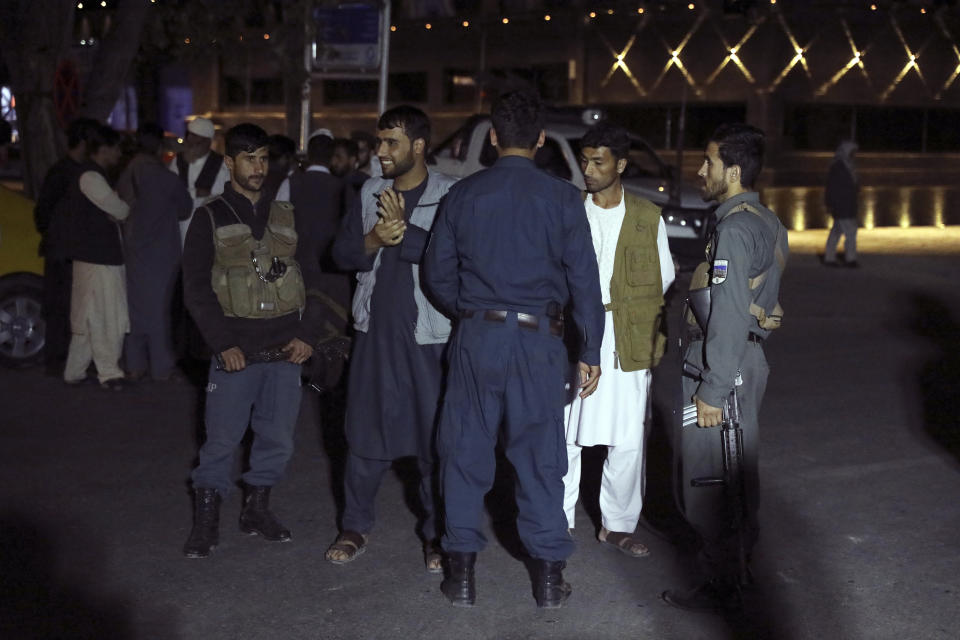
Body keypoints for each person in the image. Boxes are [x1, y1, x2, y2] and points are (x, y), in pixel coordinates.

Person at [423, 89, 605, 609]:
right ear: (542, 139)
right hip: (540, 342)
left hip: (478, 336)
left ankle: (460, 577)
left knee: (463, 453)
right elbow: (585, 283)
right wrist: (589, 347)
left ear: (495, 138)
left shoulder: (463, 194)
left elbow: (437, 273)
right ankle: (548, 582)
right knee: (541, 458)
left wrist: (474, 311)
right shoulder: (565, 199)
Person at [180, 123, 331, 558]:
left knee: (277, 439)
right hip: (235, 353)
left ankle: (256, 510)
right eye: (248, 158)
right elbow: (195, 288)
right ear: (229, 162)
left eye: (264, 158)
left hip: (287, 351)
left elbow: (313, 280)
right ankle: (206, 523)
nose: (258, 167)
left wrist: (307, 335)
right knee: (221, 441)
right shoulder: (209, 217)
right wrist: (222, 343)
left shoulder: (287, 215)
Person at [663, 123, 788, 612]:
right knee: (735, 474)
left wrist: (712, 389)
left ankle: (722, 584)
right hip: (745, 359)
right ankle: (737, 574)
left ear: (733, 170)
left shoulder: (735, 228)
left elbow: (731, 309)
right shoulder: (766, 221)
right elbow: (764, 301)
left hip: (721, 364)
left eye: (709, 161)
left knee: (708, 478)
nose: (700, 169)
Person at [326, 106, 456, 572]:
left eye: (390, 143)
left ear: (418, 147)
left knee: (432, 441)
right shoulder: (369, 191)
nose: (379, 151)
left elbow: (458, 258)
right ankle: (355, 525)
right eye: (379, 142)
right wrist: (375, 239)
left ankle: (437, 535)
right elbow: (340, 252)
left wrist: (405, 234)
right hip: (373, 336)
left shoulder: (448, 195)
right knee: (362, 433)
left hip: (428, 338)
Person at [562, 123, 675, 556]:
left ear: (621, 164)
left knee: (628, 437)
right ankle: (558, 518)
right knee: (567, 430)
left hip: (629, 335)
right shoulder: (570, 210)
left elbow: (664, 277)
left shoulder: (647, 216)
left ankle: (619, 524)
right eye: (584, 160)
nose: (588, 169)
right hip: (577, 331)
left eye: (598, 161)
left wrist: (624, 305)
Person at [116, 123, 193, 381]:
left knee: (134, 308)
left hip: (133, 249)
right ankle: (161, 366)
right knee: (162, 310)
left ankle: (134, 364)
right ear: (160, 147)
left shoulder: (126, 174)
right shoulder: (167, 179)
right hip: (163, 253)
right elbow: (185, 209)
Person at [62, 124, 130, 390]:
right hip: (100, 258)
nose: (119, 154)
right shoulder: (91, 176)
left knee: (88, 315)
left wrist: (115, 209)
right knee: (106, 315)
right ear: (104, 150)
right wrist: (119, 207)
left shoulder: (88, 174)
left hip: (91, 256)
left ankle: (75, 371)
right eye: (116, 148)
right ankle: (109, 373)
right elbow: (121, 210)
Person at [34, 117, 100, 376]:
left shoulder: (69, 170)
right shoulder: (68, 172)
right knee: (63, 308)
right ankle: (60, 361)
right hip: (64, 252)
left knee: (68, 308)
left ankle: (65, 361)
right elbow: (44, 213)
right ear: (84, 142)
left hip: (65, 250)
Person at [169, 117, 229, 245]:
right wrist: (195, 192)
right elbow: (171, 191)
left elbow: (220, 193)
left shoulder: (220, 163)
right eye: (190, 142)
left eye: (198, 143)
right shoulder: (178, 161)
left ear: (208, 142)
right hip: (181, 226)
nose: (192, 147)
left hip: (209, 226)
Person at [822, 140, 859, 268]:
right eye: (852, 152)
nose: (854, 154)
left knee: (837, 231)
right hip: (842, 205)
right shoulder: (839, 166)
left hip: (847, 204)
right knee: (850, 231)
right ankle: (850, 259)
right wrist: (830, 203)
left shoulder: (848, 165)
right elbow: (832, 187)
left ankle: (829, 257)